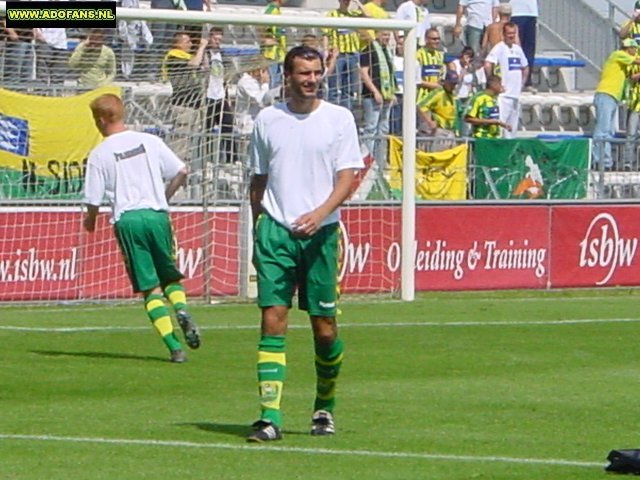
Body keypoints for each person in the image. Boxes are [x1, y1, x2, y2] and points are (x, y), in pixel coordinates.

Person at [246, 45, 363, 443]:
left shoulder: (339, 119)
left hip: (322, 233)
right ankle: (268, 417)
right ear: (288, 75)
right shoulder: (267, 120)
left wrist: (319, 212)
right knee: (272, 319)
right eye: (303, 73)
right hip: (276, 231)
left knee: (324, 328)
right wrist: (256, 228)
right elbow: (258, 181)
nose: (311, 79)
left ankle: (324, 407)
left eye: (316, 73)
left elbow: (348, 177)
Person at [82, 94, 201, 363]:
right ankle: (181, 309)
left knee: (149, 287)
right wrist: (164, 197)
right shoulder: (149, 140)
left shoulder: (100, 153)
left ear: (100, 120)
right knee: (169, 276)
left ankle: (175, 348)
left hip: (129, 220)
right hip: (157, 214)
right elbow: (182, 171)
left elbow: (92, 199)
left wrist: (90, 220)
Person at [162, 31, 207, 176]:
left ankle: (185, 176)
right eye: (187, 42)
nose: (191, 44)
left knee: (190, 145)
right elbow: (193, 64)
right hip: (183, 106)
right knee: (180, 144)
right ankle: (175, 177)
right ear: (177, 43)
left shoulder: (187, 56)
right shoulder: (173, 56)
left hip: (194, 106)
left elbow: (201, 67)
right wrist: (201, 48)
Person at [593, 39, 640, 170]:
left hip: (613, 97)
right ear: (628, 48)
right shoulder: (618, 54)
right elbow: (637, 61)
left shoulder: (623, 62)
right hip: (606, 94)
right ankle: (599, 161)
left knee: (608, 131)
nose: (636, 52)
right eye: (634, 49)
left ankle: (606, 162)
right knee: (602, 130)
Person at [484, 22, 528, 138]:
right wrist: (492, 83)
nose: (511, 36)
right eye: (509, 33)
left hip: (515, 95)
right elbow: (488, 64)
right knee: (500, 128)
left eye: (513, 33)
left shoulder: (517, 49)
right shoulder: (499, 47)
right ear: (503, 34)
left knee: (512, 130)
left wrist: (521, 84)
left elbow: (525, 67)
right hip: (503, 96)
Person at [360, 29, 396, 166]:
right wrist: (375, 91)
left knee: (383, 129)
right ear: (377, 34)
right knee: (371, 128)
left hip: (386, 95)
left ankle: (380, 163)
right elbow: (363, 73)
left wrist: (391, 92)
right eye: (384, 34)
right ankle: (367, 163)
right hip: (372, 96)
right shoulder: (368, 50)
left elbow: (390, 73)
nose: (387, 38)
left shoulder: (387, 52)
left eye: (388, 35)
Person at [323, 0, 365, 111]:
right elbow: (326, 34)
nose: (346, 2)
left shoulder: (354, 15)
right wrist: (326, 51)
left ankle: (347, 112)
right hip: (338, 55)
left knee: (350, 89)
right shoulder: (331, 15)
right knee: (335, 88)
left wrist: (358, 3)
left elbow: (369, 16)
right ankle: (333, 113)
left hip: (353, 54)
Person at [417, 69, 461, 151]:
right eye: (451, 83)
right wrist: (429, 122)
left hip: (451, 131)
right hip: (440, 132)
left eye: (455, 84)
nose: (453, 86)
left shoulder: (453, 95)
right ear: (445, 82)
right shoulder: (439, 93)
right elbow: (420, 106)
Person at [464, 74, 510, 138]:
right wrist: (490, 122)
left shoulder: (494, 98)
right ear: (494, 85)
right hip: (482, 137)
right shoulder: (479, 98)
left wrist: (503, 125)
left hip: (495, 137)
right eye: (500, 84)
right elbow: (468, 119)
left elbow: (493, 119)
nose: (501, 86)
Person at [510, 0, 538, 92]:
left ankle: (527, 81)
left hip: (531, 13)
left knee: (529, 50)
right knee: (515, 49)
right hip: (515, 12)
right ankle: (514, 80)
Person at [261, 0, 287, 89]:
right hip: (271, 54)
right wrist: (265, 39)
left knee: (277, 84)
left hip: (279, 54)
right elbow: (261, 26)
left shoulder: (278, 10)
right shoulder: (271, 10)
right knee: (272, 83)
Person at [417, 27, 445, 103]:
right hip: (422, 98)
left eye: (438, 39)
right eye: (434, 39)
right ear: (426, 39)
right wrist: (433, 85)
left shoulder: (440, 55)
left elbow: (441, 75)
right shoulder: (418, 54)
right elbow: (416, 80)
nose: (437, 41)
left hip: (436, 97)